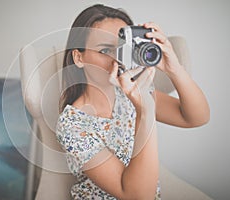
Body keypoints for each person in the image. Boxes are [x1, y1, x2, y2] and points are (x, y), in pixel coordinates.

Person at [56, 4, 210, 200]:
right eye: (105, 50)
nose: (117, 60)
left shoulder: (129, 94)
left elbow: (197, 117)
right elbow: (137, 196)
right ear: (79, 57)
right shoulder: (72, 125)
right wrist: (145, 110)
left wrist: (175, 69)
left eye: (122, 49)